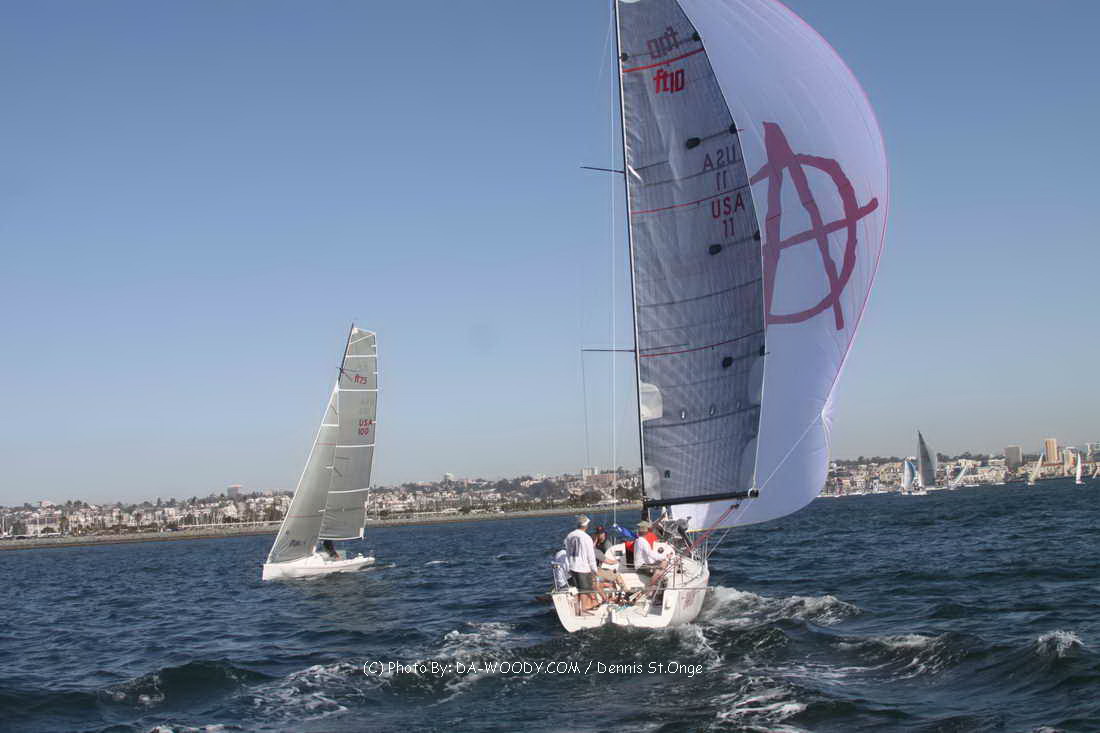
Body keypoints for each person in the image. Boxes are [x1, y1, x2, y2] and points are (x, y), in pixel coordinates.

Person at [564, 515, 600, 613]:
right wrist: (595, 570)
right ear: (586, 525)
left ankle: (577, 609)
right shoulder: (586, 537)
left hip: (572, 566)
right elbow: (591, 556)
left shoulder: (569, 535)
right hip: (583, 567)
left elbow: (567, 552)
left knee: (576, 589)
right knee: (584, 589)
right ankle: (583, 608)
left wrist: (569, 565)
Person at [591, 526, 627, 595]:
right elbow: (607, 561)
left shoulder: (606, 545)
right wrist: (617, 561)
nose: (599, 535)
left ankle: (615, 593)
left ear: (604, 533)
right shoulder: (595, 548)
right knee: (616, 575)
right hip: (598, 569)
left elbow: (609, 555)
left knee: (611, 576)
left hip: (598, 568)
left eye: (601, 533)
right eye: (598, 533)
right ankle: (624, 590)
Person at [633, 520, 667, 587]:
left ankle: (654, 586)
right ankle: (649, 587)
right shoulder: (642, 541)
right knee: (659, 571)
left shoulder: (638, 540)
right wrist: (664, 557)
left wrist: (657, 560)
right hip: (641, 567)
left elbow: (648, 555)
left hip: (640, 565)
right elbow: (650, 554)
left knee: (661, 566)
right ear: (646, 532)